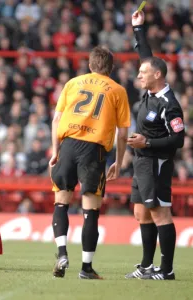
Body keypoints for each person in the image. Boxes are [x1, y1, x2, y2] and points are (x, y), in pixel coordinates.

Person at [49, 46, 131, 279]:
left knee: (61, 202)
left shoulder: (73, 83)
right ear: (111, 68)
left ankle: (62, 253)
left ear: (90, 65)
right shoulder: (117, 90)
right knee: (90, 209)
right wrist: (119, 160)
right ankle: (86, 268)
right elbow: (123, 133)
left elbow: (56, 119)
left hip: (67, 145)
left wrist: (56, 152)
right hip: (93, 150)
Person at [125, 10, 185, 281]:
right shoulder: (150, 90)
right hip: (141, 162)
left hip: (156, 162)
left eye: (143, 73)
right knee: (141, 212)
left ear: (157, 75)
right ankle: (147, 266)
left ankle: (168, 270)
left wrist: (147, 142)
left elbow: (179, 140)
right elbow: (146, 58)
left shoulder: (169, 105)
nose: (139, 75)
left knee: (160, 213)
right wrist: (138, 29)